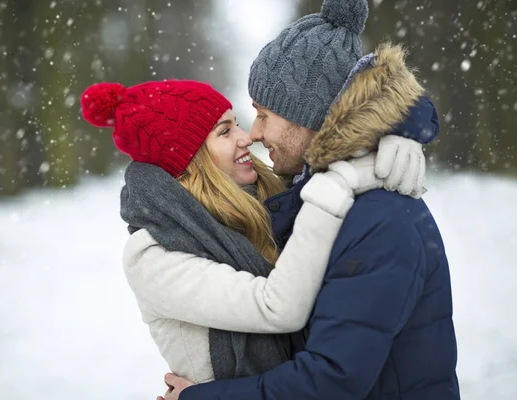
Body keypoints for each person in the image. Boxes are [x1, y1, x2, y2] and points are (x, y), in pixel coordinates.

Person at [161, 0, 460, 399]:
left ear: (309, 114)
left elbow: (330, 381)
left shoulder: (378, 217)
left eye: (264, 113)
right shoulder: (324, 197)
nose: (254, 133)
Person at [80, 79, 428, 386]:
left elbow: (346, 98)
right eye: (225, 131)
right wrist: (335, 189)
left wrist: (398, 134)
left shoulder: (267, 202)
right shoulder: (152, 257)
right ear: (189, 163)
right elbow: (277, 306)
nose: (246, 138)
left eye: (237, 124)